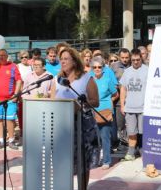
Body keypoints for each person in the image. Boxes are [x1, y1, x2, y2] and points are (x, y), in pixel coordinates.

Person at [51, 47, 99, 175]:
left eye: (66, 59)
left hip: (82, 126)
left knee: (83, 165)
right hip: (62, 127)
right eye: (61, 59)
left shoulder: (86, 78)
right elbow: (51, 102)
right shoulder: (57, 79)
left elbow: (95, 101)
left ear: (75, 61)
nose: (63, 62)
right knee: (64, 164)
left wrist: (81, 104)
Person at [0, 49, 22, 150]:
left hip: (9, 99)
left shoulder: (13, 66)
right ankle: (1, 140)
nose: (1, 57)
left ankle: (11, 140)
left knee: (10, 120)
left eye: (3, 55)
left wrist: (16, 95)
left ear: (7, 56)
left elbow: (19, 80)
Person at [120, 49, 148, 161]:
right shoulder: (127, 71)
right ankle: (131, 153)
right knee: (131, 132)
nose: (135, 62)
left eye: (137, 60)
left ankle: (143, 150)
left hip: (143, 107)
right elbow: (123, 89)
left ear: (141, 58)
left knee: (143, 132)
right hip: (130, 107)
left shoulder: (147, 70)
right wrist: (122, 105)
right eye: (133, 60)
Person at [91, 56, 119, 169]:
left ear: (103, 67)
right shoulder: (90, 80)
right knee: (94, 138)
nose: (97, 69)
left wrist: (109, 102)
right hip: (92, 111)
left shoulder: (107, 80)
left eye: (99, 67)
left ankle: (106, 161)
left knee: (105, 137)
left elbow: (115, 94)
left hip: (104, 112)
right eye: (95, 67)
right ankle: (95, 160)